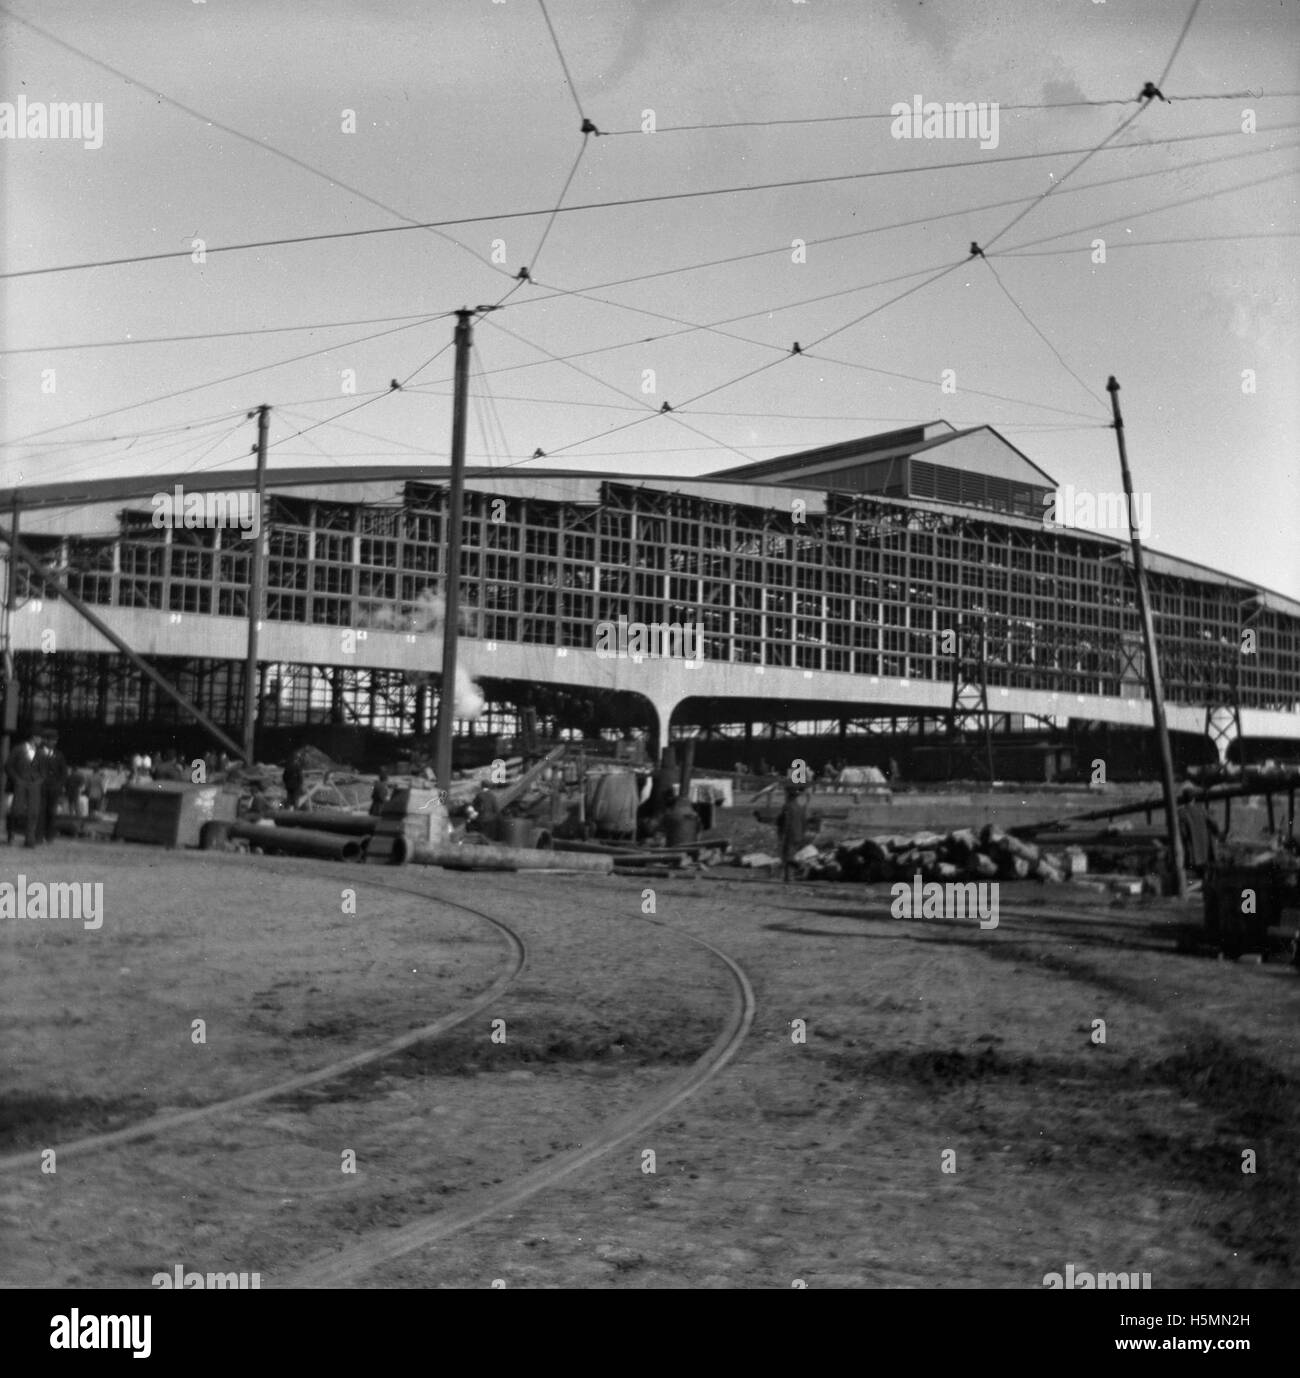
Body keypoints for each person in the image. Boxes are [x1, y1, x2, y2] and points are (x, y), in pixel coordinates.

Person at [4, 731, 41, 847]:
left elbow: (44, 768)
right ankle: (11, 834)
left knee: (33, 812)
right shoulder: (18, 749)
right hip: (20, 783)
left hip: (34, 784)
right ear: (34, 737)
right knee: (16, 810)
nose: (41, 741)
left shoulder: (40, 752)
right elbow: (8, 765)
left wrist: (39, 780)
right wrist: (17, 779)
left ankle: (30, 839)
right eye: (39, 738)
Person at [1177, 784, 1221, 878]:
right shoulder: (1202, 810)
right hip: (1205, 852)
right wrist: (1217, 834)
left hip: (1190, 855)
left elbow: (1182, 833)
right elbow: (1214, 824)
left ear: (1183, 799)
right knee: (1204, 875)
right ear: (1194, 799)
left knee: (1191, 878)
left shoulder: (1181, 813)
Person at [36, 729, 69, 844]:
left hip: (54, 788)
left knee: (51, 812)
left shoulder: (59, 755)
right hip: (41, 787)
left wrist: (59, 785)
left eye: (55, 740)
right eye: (52, 740)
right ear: (46, 741)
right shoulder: (38, 753)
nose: (54, 743)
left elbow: (63, 772)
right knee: (40, 812)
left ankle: (49, 836)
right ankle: (39, 836)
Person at [776, 782, 810, 883]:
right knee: (788, 854)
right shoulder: (801, 806)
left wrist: (782, 833)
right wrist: (803, 834)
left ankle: (799, 866)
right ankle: (787, 877)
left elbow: (785, 821)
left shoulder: (787, 806)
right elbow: (804, 821)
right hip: (799, 833)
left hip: (790, 834)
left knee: (787, 856)